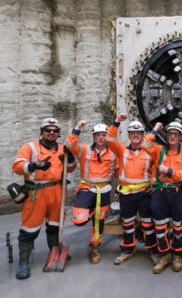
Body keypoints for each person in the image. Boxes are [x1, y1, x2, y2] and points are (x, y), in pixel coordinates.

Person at [12, 118, 76, 279]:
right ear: (42, 132)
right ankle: (24, 262)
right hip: (36, 193)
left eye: (55, 131)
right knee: (29, 229)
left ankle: (54, 252)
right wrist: (35, 165)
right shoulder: (30, 147)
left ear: (58, 133)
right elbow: (17, 166)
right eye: (48, 130)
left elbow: (70, 168)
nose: (51, 133)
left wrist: (71, 158)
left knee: (55, 225)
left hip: (56, 190)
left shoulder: (63, 148)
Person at [106, 113, 158, 266]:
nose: (136, 136)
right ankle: (127, 249)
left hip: (144, 194)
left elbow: (157, 170)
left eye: (138, 133)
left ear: (143, 135)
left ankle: (152, 250)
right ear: (129, 135)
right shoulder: (121, 150)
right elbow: (109, 140)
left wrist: (154, 185)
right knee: (127, 223)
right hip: (127, 194)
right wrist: (116, 122)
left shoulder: (150, 151)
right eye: (133, 133)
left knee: (148, 224)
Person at [65, 120, 119, 264]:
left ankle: (94, 247)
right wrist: (78, 128)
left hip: (104, 190)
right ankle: (89, 213)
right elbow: (70, 145)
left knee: (99, 221)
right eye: (98, 135)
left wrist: (120, 190)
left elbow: (119, 172)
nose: (101, 138)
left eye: (104, 135)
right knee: (79, 219)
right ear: (94, 137)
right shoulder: (84, 150)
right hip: (87, 188)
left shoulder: (114, 154)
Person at [144, 121, 182, 274]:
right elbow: (145, 145)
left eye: (175, 134)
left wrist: (168, 171)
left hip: (178, 193)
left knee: (178, 226)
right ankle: (164, 255)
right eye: (170, 133)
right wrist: (156, 129)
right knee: (160, 226)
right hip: (160, 194)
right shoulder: (159, 150)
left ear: (180, 137)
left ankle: (177, 255)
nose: (172, 136)